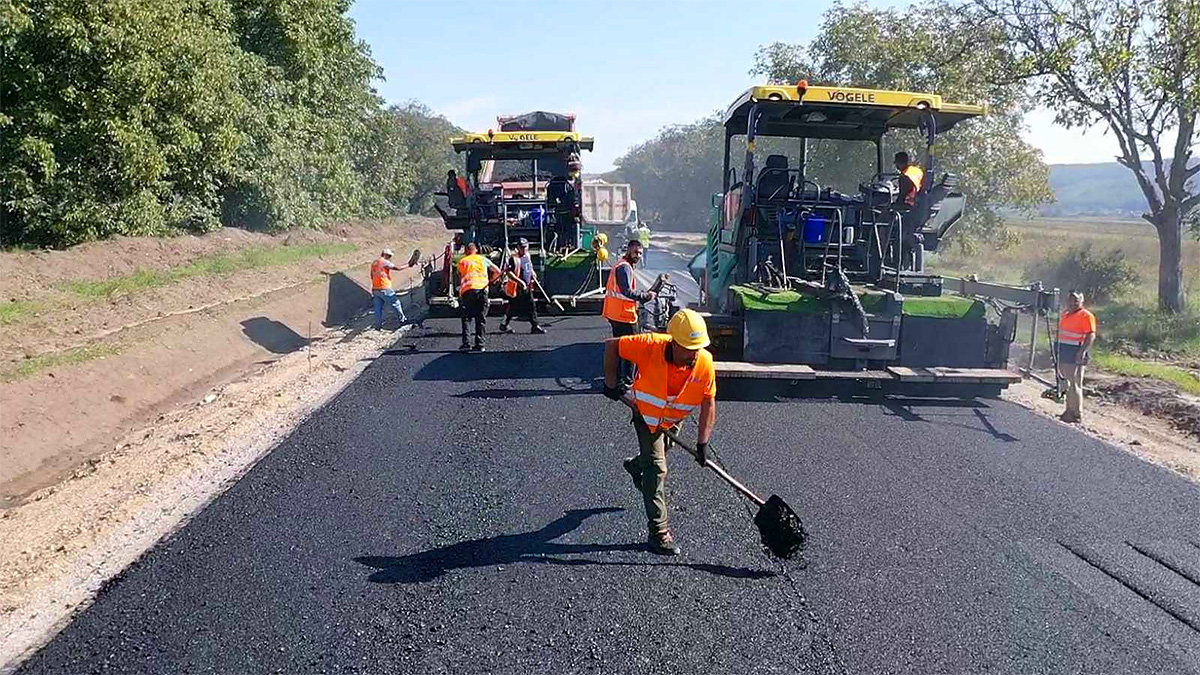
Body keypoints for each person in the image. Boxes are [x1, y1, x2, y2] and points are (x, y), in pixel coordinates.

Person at [602, 309, 717, 556]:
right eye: (687, 348)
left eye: (696, 348)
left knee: (661, 453)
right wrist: (611, 383)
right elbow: (612, 346)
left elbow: (709, 403)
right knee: (657, 468)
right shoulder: (651, 345)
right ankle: (658, 532)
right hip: (646, 416)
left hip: (673, 419)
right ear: (673, 342)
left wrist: (702, 444)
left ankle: (635, 466)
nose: (692, 354)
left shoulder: (705, 362)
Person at [602, 240, 657, 385]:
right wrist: (646, 296)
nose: (638, 256)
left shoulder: (623, 265)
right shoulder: (624, 268)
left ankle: (618, 379)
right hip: (623, 315)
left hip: (616, 313)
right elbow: (627, 291)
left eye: (640, 253)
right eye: (635, 252)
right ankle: (627, 382)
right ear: (629, 251)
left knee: (621, 347)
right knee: (632, 349)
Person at [1057, 290, 1097, 423]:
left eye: (1076, 300)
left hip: (1076, 352)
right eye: (1071, 300)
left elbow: (1090, 335)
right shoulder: (1066, 314)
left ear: (1081, 301)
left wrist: (1082, 352)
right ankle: (1068, 410)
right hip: (1064, 350)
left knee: (1074, 383)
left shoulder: (1086, 316)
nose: (1073, 303)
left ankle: (1076, 413)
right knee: (1067, 383)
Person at [457, 241, 501, 352]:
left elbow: (460, 275)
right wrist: (492, 280)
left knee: (467, 318)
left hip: (468, 291)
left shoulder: (462, 261)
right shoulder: (483, 259)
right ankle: (480, 345)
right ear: (476, 250)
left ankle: (466, 344)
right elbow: (498, 271)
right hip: (482, 290)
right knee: (480, 318)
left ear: (466, 251)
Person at [499, 238, 546, 334]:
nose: (523, 249)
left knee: (528, 306)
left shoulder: (527, 256)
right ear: (518, 248)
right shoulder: (514, 259)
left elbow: (529, 267)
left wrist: (533, 274)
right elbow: (509, 273)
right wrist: (520, 282)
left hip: (527, 286)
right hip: (517, 287)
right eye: (521, 247)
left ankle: (534, 325)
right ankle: (533, 325)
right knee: (518, 306)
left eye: (525, 247)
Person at [370, 248, 412, 330]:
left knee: (378, 308)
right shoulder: (384, 262)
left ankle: (378, 325)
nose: (389, 258)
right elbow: (398, 268)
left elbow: (372, 275)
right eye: (389, 256)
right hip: (384, 288)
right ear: (385, 255)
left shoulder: (374, 263)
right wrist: (409, 265)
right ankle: (403, 320)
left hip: (375, 289)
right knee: (396, 303)